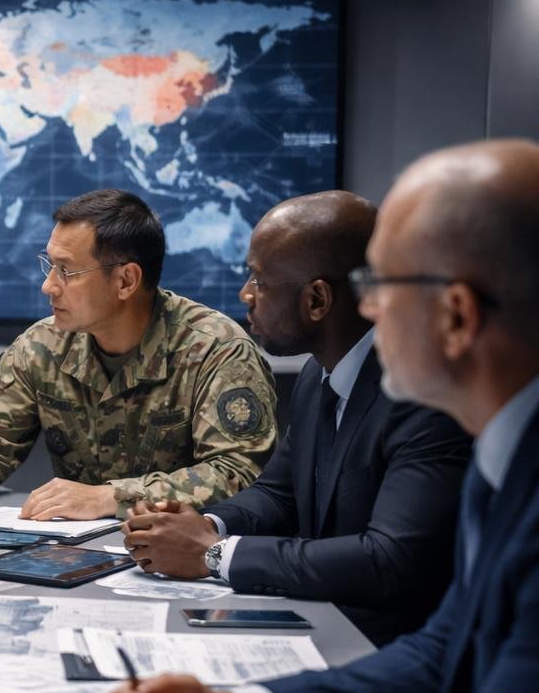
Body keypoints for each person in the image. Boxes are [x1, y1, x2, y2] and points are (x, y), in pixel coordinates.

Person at [109, 139, 539, 693]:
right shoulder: (508, 456)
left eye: (380, 287)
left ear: (454, 315)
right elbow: (440, 653)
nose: (365, 310)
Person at [121, 192, 470, 644]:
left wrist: (214, 554)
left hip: (392, 648)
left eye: (259, 280)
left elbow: (390, 559)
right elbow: (278, 495)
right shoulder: (317, 373)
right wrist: (202, 524)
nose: (245, 294)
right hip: (326, 621)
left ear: (318, 299)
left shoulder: (421, 393)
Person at [0, 189, 276, 519]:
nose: (48, 287)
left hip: (183, 560)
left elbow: (239, 474)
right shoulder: (43, 345)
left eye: (65, 271)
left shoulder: (216, 350)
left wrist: (110, 497)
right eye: (48, 266)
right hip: (72, 552)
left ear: (125, 280)